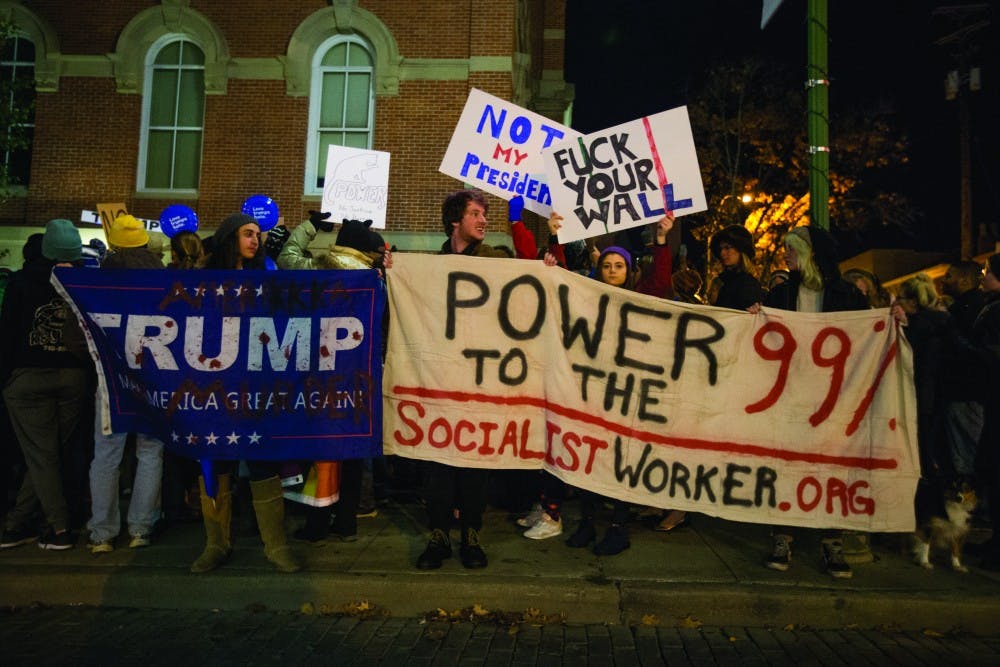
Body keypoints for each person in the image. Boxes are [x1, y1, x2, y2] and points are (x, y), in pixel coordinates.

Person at [531, 213, 674, 553]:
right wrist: (555, 239)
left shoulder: (638, 299)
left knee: (618, 463)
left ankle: (618, 528)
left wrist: (663, 240)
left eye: (618, 266)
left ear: (628, 272)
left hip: (624, 395)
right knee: (587, 461)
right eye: (607, 265)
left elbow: (660, 281)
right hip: (590, 392)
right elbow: (562, 282)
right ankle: (586, 523)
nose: (612, 270)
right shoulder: (587, 295)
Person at [417, 190, 524, 570]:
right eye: (475, 213)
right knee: (439, 463)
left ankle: (471, 535)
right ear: (455, 221)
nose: (483, 220)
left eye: (485, 214)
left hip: (482, 381)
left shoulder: (495, 261)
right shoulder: (431, 266)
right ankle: (439, 534)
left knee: (475, 463)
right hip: (442, 380)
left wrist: (544, 264)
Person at [192, 213, 300, 573]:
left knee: (262, 460)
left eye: (257, 234)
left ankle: (276, 545)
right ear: (228, 239)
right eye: (247, 234)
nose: (255, 240)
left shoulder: (266, 277)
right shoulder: (204, 279)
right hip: (214, 388)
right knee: (215, 461)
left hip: (255, 388)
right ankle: (215, 544)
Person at [277, 211, 392, 544]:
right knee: (354, 447)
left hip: (321, 372)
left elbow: (286, 258)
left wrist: (311, 226)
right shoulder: (375, 279)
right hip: (361, 374)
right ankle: (346, 521)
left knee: (321, 450)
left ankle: (316, 522)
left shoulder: (319, 270)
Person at [760, 225, 869, 579]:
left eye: (791, 249)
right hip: (790, 395)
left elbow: (868, 336)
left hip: (834, 396)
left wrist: (894, 322)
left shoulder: (847, 295)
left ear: (811, 254)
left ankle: (831, 541)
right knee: (787, 463)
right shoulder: (780, 295)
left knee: (831, 466)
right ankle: (783, 536)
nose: (786, 255)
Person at [0, 220, 91, 550]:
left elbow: (7, 331)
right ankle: (17, 523)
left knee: (41, 456)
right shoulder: (83, 281)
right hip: (73, 377)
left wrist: (6, 377)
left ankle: (59, 528)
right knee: (47, 455)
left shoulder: (22, 281)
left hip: (28, 376)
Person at [86, 215, 166, 554]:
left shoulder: (99, 279)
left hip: (111, 377)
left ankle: (102, 533)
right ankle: (141, 528)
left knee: (106, 454)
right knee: (149, 451)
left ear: (114, 243)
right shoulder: (163, 278)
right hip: (153, 375)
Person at [938, 261, 988, 477]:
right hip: (967, 390)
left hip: (965, 391)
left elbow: (969, 349)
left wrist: (947, 325)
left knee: (968, 451)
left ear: (965, 280)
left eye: (949, 276)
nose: (944, 280)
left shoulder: (968, 310)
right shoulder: (973, 306)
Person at [708, 224, 764, 311]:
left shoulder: (749, 284)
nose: (722, 253)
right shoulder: (722, 283)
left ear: (741, 251)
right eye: (720, 249)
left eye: (727, 248)